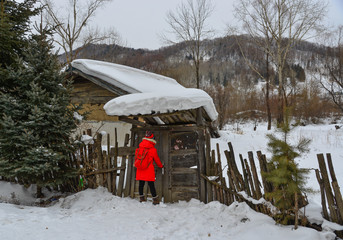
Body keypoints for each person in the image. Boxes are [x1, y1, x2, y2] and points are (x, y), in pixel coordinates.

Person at [135, 131, 163, 205]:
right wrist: (161, 166)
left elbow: (136, 158)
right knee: (151, 185)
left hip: (140, 168)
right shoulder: (153, 150)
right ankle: (155, 200)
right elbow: (157, 159)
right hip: (149, 169)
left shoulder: (139, 148)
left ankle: (141, 198)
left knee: (141, 184)